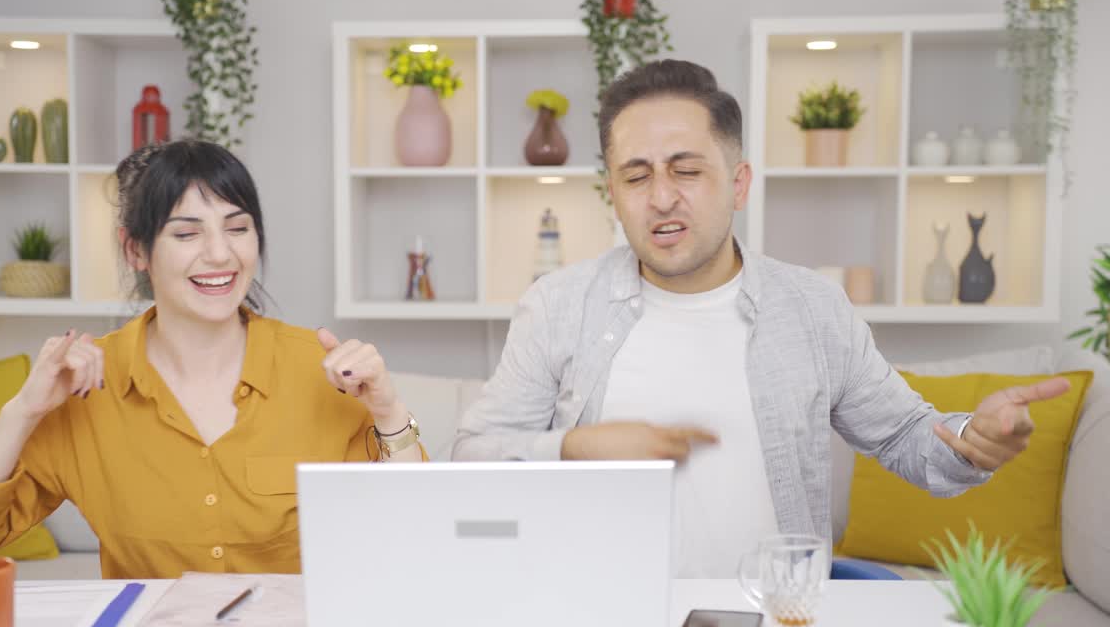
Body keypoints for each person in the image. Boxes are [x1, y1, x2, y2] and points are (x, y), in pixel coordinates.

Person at [452, 60, 1069, 578]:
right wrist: (576, 447)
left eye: (687, 171)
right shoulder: (557, 306)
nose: (662, 197)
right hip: (595, 617)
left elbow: (905, 435)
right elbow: (473, 458)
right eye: (636, 176)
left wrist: (971, 442)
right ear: (612, 191)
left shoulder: (812, 308)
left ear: (739, 183)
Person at [0, 140, 426, 578]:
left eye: (237, 228)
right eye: (186, 234)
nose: (221, 255)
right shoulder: (87, 387)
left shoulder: (320, 370)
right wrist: (23, 411)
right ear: (136, 251)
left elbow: (419, 538)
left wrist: (388, 411)